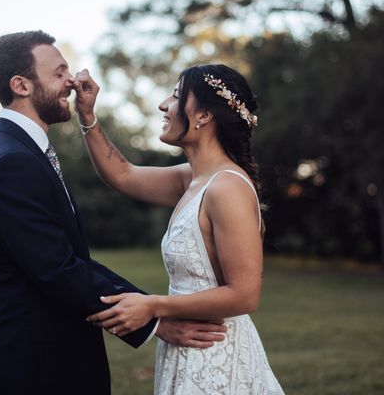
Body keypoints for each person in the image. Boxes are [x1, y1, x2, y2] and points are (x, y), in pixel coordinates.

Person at [0, 30, 227, 395]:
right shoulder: (10, 162)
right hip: (26, 369)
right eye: (58, 73)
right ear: (21, 85)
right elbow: (58, 267)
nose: (71, 81)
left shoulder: (19, 152)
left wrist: (88, 115)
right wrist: (153, 319)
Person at [73, 64, 285, 394]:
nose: (163, 104)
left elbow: (245, 294)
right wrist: (87, 116)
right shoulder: (193, 178)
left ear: (202, 116)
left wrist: (154, 306)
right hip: (186, 351)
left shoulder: (226, 188)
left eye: (175, 95)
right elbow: (123, 175)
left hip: (216, 358)